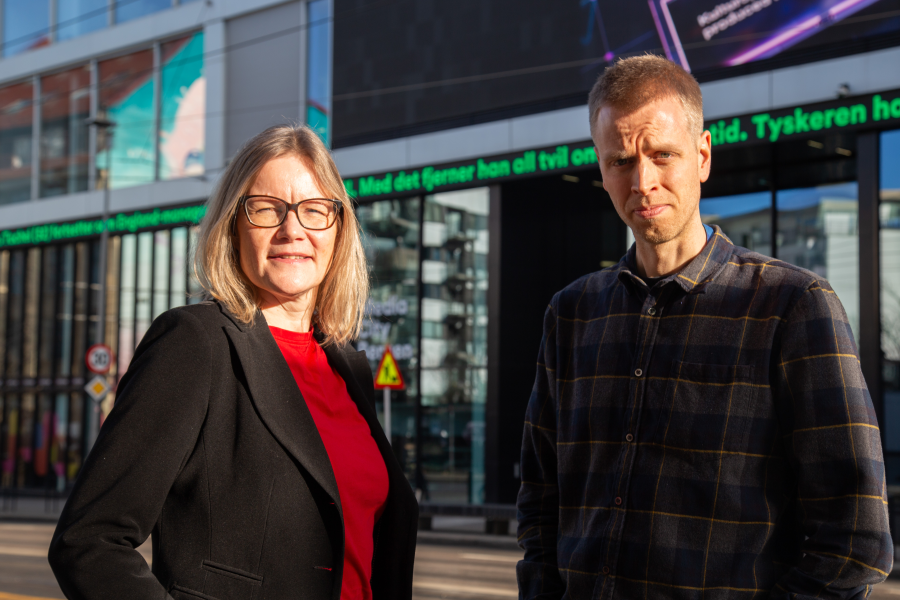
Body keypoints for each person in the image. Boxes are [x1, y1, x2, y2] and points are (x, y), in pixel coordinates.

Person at [516, 55, 891, 600]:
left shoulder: (792, 306)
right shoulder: (571, 314)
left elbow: (855, 539)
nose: (642, 181)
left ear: (703, 155)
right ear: (601, 168)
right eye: (621, 161)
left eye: (662, 155)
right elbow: (539, 500)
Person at [48, 124, 418, 600]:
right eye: (266, 209)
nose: (293, 230)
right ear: (233, 228)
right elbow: (89, 542)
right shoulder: (195, 344)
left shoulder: (347, 368)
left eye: (314, 209)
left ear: (338, 229)